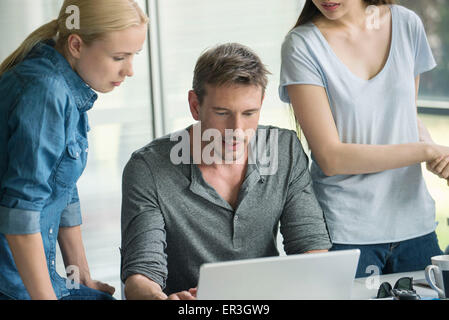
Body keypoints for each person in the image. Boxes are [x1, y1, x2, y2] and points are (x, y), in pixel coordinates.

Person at [121, 43, 332, 300]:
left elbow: (311, 248)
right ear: (195, 105)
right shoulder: (148, 168)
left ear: (262, 103)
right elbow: (141, 276)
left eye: (249, 113)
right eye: (222, 113)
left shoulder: (284, 149)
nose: (237, 130)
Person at [279, 0, 449, 278]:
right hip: (347, 233)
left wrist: (436, 157)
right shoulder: (302, 45)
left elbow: (406, 114)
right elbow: (331, 158)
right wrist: (425, 150)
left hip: (416, 225)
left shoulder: (407, 24)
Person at [0, 0, 148, 300]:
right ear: (77, 45)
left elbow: (63, 188)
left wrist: (80, 279)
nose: (130, 70)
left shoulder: (67, 84)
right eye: (119, 56)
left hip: (33, 278)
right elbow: (20, 215)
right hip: (11, 285)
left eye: (134, 56)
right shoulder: (46, 92)